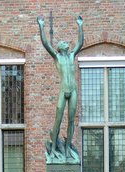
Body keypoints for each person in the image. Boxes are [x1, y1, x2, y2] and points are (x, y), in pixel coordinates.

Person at [37, 15, 84, 162]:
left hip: (73, 91)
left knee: (71, 120)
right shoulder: (57, 57)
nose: (66, 43)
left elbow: (80, 43)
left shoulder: (71, 56)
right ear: (59, 47)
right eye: (63, 42)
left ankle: (68, 148)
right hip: (64, 92)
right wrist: (41, 26)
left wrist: (80, 25)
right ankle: (52, 150)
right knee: (57, 120)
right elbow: (45, 43)